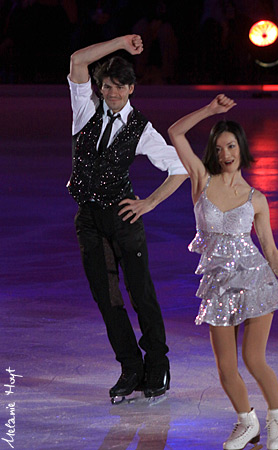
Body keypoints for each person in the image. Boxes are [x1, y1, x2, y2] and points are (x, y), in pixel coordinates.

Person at [168, 94, 278, 450]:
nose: (225, 153)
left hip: (256, 281)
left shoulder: (256, 198)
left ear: (241, 148)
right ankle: (247, 422)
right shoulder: (202, 180)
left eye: (231, 146)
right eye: (219, 147)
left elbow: (269, 249)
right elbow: (175, 133)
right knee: (226, 368)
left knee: (253, 359)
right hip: (217, 286)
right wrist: (210, 111)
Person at [67, 34, 188, 401]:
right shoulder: (85, 110)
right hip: (88, 219)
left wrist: (148, 203)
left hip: (123, 220)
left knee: (140, 294)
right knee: (107, 299)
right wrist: (120, 43)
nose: (112, 93)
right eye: (107, 86)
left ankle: (158, 365)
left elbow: (180, 169)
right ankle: (130, 367)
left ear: (132, 88)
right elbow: (77, 59)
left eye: (120, 86)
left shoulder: (141, 128)